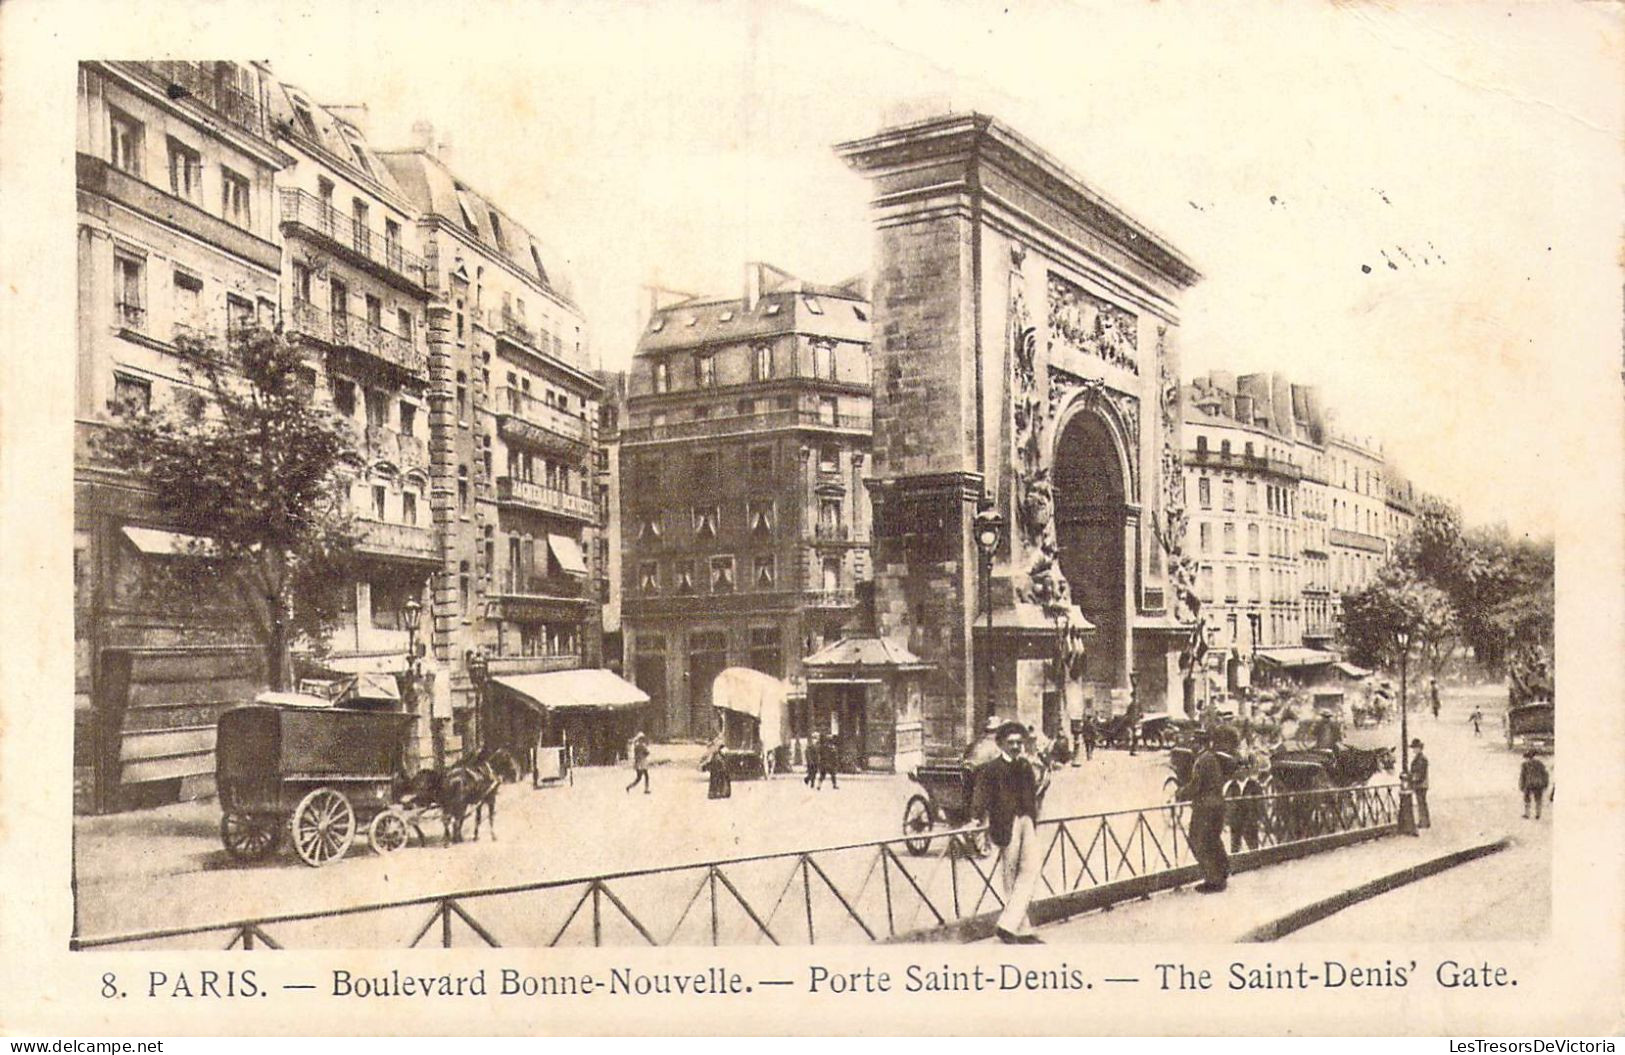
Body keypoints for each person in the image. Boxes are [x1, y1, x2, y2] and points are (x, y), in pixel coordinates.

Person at [971, 721, 1043, 943]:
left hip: (1026, 821)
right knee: (1009, 877)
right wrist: (976, 818)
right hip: (1006, 823)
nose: (1015, 746)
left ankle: (1007, 925)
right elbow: (981, 795)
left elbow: (1034, 794)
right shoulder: (991, 769)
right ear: (1001, 744)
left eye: (1018, 743)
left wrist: (1032, 816)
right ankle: (1021, 930)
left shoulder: (1025, 767)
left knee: (1031, 870)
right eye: (1010, 742)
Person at [1178, 726, 1234, 892]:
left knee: (1198, 841)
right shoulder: (1212, 758)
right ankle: (1222, 872)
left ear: (1198, 744)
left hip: (1205, 808)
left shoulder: (1201, 761)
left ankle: (1213, 880)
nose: (1192, 746)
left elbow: (1196, 785)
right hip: (1218, 805)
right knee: (1213, 840)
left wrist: (1181, 793)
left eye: (1194, 743)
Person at [1519, 750, 1549, 820]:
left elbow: (1523, 776)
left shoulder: (1525, 764)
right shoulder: (1540, 764)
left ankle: (1527, 814)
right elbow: (1545, 774)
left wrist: (1521, 785)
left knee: (1527, 799)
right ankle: (1538, 814)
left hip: (1529, 783)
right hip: (1539, 784)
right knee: (1538, 799)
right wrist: (1545, 783)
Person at [1408, 738, 1430, 829]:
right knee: (1421, 803)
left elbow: (1420, 773)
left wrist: (1413, 780)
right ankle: (1424, 821)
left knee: (1421, 803)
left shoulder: (1421, 759)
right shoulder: (1420, 758)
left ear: (1419, 748)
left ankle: (1424, 822)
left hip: (1420, 784)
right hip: (1421, 784)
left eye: (1415, 748)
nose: (1413, 750)